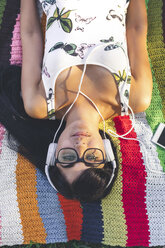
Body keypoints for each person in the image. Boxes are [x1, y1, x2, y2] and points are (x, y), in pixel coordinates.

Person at [0, 0, 152, 202]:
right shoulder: (134, 97)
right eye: (91, 157)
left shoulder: (39, 103)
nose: (80, 145)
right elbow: (136, 29)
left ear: (54, 153)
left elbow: (30, 34)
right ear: (106, 152)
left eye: (69, 158)